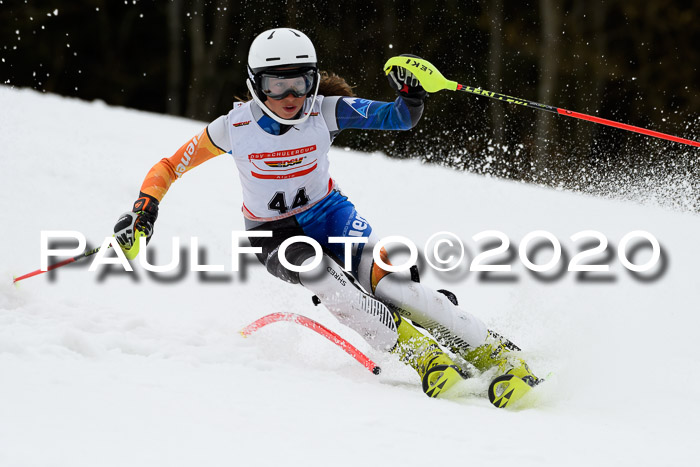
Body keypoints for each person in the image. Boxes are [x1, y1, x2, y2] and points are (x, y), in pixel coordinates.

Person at [113, 28, 540, 406]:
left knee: (391, 285)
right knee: (318, 271)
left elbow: (397, 118)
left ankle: (499, 353)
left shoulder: (326, 110)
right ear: (255, 85)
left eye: (298, 85)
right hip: (273, 235)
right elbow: (169, 167)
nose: (288, 99)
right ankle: (420, 354)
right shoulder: (233, 128)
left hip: (333, 215)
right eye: (275, 87)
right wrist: (143, 211)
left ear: (312, 81)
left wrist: (411, 94)